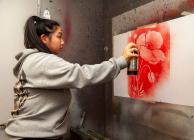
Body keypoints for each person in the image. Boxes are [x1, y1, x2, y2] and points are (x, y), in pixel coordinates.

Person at [4, 16, 138, 139]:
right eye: (59, 36)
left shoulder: (32, 61)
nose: (62, 42)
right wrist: (120, 62)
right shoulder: (42, 62)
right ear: (44, 38)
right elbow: (82, 74)